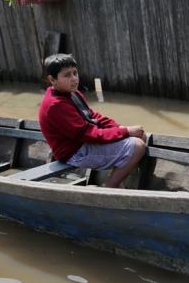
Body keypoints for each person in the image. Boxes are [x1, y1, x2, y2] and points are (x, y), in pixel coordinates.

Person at [38, 54, 146, 188]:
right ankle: (109, 188)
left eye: (75, 73)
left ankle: (118, 182)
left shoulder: (72, 93)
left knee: (140, 135)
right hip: (75, 152)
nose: (74, 79)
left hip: (84, 143)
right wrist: (125, 132)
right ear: (52, 79)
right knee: (138, 146)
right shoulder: (56, 105)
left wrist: (120, 128)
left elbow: (93, 116)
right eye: (67, 75)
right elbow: (87, 134)